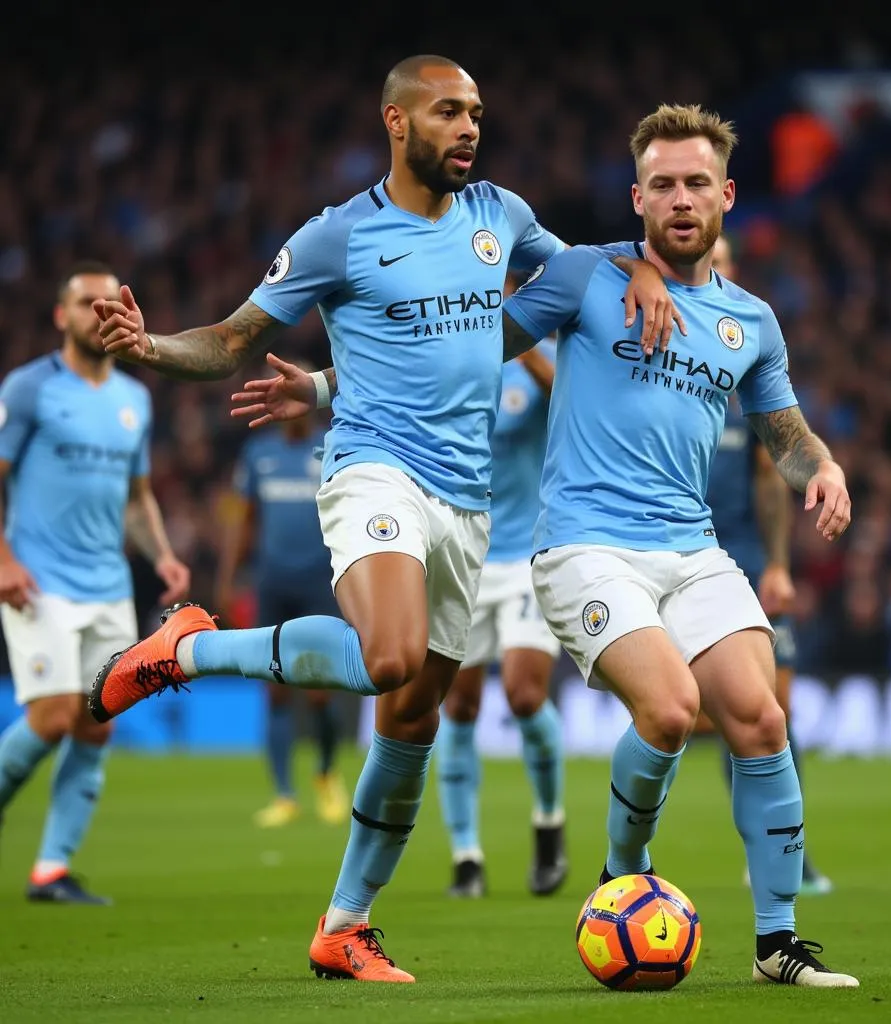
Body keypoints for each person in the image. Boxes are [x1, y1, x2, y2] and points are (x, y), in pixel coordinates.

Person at [87, 55, 681, 982]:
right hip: (374, 473)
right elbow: (233, 340)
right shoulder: (338, 237)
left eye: (478, 111)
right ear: (398, 124)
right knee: (392, 657)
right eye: (449, 112)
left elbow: (576, 266)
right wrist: (149, 344)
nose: (470, 128)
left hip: (469, 500)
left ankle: (345, 926)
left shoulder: (501, 218)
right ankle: (186, 647)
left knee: (410, 723)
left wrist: (638, 268)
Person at [499, 104, 859, 987]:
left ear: (728, 195)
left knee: (761, 716)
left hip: (691, 550)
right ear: (637, 199)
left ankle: (777, 945)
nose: (681, 197)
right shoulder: (589, 276)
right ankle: (622, 876)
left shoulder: (752, 321)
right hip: (585, 546)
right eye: (662, 184)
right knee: (668, 711)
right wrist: (326, 387)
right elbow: (475, 346)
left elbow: (783, 434)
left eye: (697, 182)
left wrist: (823, 466)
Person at [0, 261, 190, 904]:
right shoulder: (28, 390)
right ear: (61, 315)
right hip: (39, 581)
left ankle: (51, 870)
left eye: (111, 303)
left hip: (108, 584)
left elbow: (137, 499)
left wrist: (161, 555)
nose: (99, 313)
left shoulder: (134, 400)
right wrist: (2, 560)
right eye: (86, 303)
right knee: (54, 716)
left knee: (96, 723)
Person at [703, 234, 832, 896]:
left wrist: (779, 565)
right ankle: (631, 860)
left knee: (772, 709)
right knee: (687, 714)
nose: (715, 269)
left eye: (725, 262)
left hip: (748, 561)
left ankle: (784, 855)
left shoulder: (744, 356)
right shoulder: (658, 356)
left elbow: (772, 469)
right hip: (676, 554)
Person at [435, 302, 565, 899]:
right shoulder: (448, 365)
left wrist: (521, 345)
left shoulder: (536, 363)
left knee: (523, 693)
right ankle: (467, 856)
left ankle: (548, 823)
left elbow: (573, 398)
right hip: (465, 556)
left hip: (528, 555)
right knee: (457, 708)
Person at [214, 369, 348, 829]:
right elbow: (244, 519)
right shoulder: (258, 453)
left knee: (317, 692)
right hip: (272, 582)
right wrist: (229, 578)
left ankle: (327, 775)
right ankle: (284, 794)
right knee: (274, 694)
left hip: (318, 582)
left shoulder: (331, 445)